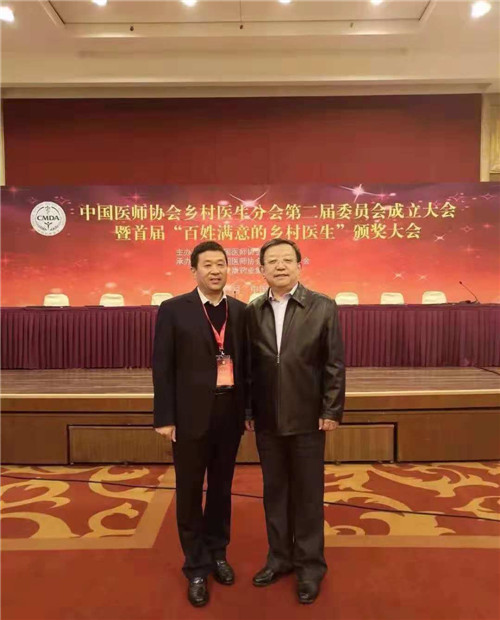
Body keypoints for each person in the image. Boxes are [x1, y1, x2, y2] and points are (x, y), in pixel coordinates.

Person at [245, 238, 345, 604]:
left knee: (307, 495)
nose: (280, 266)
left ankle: (310, 566)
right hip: (268, 419)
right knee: (275, 493)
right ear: (262, 269)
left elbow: (333, 364)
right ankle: (279, 558)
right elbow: (250, 368)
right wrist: (249, 411)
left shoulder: (322, 307)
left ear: (299, 266)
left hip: (307, 418)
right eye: (272, 261)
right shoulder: (253, 311)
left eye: (287, 260)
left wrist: (331, 410)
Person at [153, 241, 247, 607]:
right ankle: (195, 566)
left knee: (222, 490)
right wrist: (165, 417)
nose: (215, 270)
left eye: (220, 264)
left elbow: (248, 366)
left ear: (228, 268)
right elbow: (162, 366)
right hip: (189, 418)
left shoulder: (241, 311)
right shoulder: (173, 309)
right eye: (207, 265)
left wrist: (248, 411)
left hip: (229, 416)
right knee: (190, 492)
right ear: (193, 270)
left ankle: (218, 553)